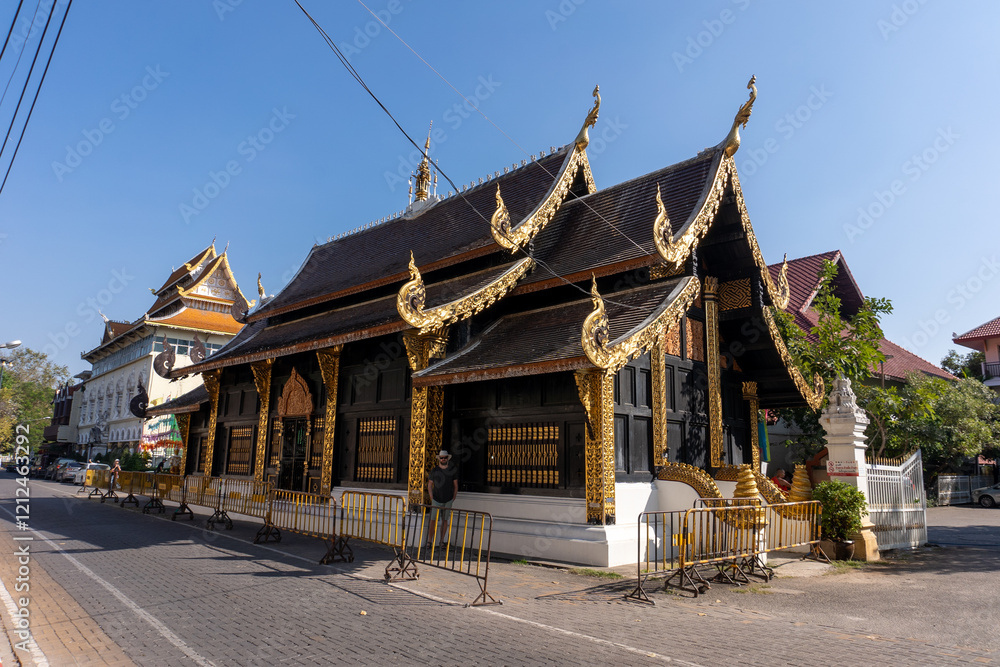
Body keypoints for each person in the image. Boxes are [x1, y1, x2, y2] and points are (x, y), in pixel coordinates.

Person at [427, 450, 458, 548]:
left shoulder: (452, 470)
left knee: (445, 520)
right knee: (433, 520)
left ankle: (441, 541)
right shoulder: (435, 470)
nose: (443, 459)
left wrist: (453, 497)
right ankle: (429, 541)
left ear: (447, 458)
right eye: (441, 458)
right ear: (439, 459)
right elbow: (429, 485)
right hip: (436, 498)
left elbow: (455, 485)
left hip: (448, 499)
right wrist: (431, 497)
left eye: (445, 458)